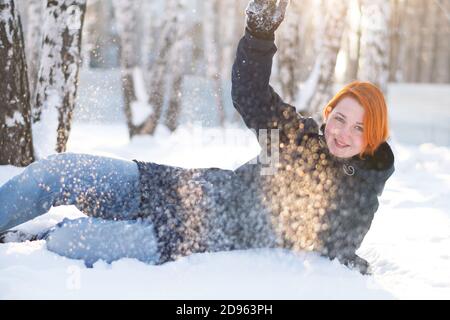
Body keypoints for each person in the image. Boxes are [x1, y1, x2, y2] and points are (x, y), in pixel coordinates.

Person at [0, 0, 394, 274]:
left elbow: (339, 243)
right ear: (328, 115)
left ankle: (39, 235)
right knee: (58, 171)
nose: (343, 133)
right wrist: (259, 31)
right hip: (170, 187)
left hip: (180, 237)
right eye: (340, 119)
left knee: (71, 241)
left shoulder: (359, 192)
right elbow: (250, 95)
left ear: (372, 138)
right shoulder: (295, 139)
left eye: (359, 128)